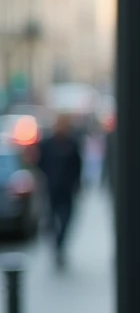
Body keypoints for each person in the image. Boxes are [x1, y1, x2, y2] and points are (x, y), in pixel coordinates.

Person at [37, 114, 83, 269]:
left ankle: (60, 244)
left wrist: (76, 183)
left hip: (67, 189)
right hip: (52, 188)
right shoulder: (47, 144)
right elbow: (40, 163)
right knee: (51, 219)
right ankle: (56, 245)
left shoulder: (72, 143)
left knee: (66, 219)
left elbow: (78, 165)